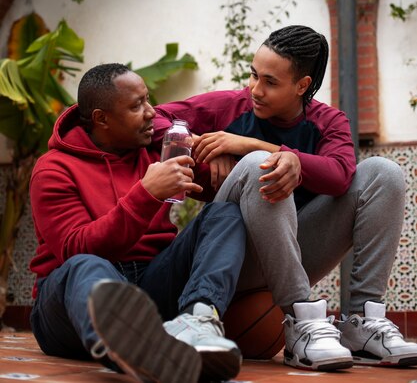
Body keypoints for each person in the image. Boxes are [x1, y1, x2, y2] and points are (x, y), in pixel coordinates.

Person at [153, 24, 417, 372]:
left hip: (292, 253)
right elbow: (155, 118)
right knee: (262, 165)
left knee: (385, 172)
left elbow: (340, 175)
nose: (255, 90)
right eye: (253, 75)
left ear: (302, 86)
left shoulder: (328, 121)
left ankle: (362, 324)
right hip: (231, 257)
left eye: (270, 82)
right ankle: (300, 318)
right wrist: (202, 145)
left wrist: (254, 146)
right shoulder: (229, 107)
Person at [29, 63, 247, 383]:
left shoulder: (160, 151)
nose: (150, 113)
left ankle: (197, 322)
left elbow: (219, 186)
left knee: (224, 215)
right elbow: (75, 247)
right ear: (102, 118)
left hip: (148, 286)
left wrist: (225, 150)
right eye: (136, 106)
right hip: (68, 306)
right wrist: (146, 194)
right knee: (86, 266)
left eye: (148, 100)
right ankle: (127, 348)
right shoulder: (52, 169)